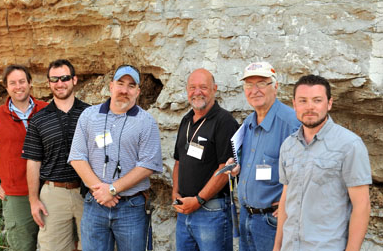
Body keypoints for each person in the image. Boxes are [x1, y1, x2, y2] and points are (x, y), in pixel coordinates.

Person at [68, 64, 163, 251]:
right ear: (111, 86)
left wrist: (111, 189)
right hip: (95, 205)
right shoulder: (89, 116)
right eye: (121, 83)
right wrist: (100, 191)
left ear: (138, 91)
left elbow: (147, 165)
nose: (124, 90)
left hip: (132, 208)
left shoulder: (146, 122)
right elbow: (77, 157)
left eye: (131, 85)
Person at [273, 75, 372, 251]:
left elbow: (362, 206)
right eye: (303, 101)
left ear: (329, 103)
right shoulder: (287, 146)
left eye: (317, 100)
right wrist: (277, 247)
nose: (310, 107)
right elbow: (286, 199)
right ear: (294, 104)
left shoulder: (349, 145)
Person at [0, 65, 47, 251]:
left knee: (54, 245)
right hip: (17, 197)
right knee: (22, 246)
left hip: (49, 191)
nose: (18, 86)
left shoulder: (47, 110)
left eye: (22, 81)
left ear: (30, 83)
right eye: (12, 83)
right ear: (6, 86)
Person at [227, 61, 301, 251]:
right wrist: (238, 167)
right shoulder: (249, 122)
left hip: (272, 222)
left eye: (261, 83)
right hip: (246, 216)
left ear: (275, 86)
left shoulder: (292, 122)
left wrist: (291, 207)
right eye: (249, 85)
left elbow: (308, 171)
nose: (255, 90)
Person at [22, 59, 90, 251]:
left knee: (93, 246)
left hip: (87, 193)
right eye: (54, 79)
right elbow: (33, 162)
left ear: (74, 80)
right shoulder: (38, 119)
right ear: (49, 83)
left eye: (65, 78)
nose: (60, 83)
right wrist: (33, 200)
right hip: (53, 195)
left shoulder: (90, 114)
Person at [172, 68, 239, 251]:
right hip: (184, 211)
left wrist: (199, 200)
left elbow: (226, 169)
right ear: (187, 90)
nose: (197, 92)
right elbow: (178, 161)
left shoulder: (224, 121)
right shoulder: (186, 120)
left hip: (211, 211)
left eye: (203, 87)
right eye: (192, 87)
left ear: (214, 89)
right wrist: (175, 193)